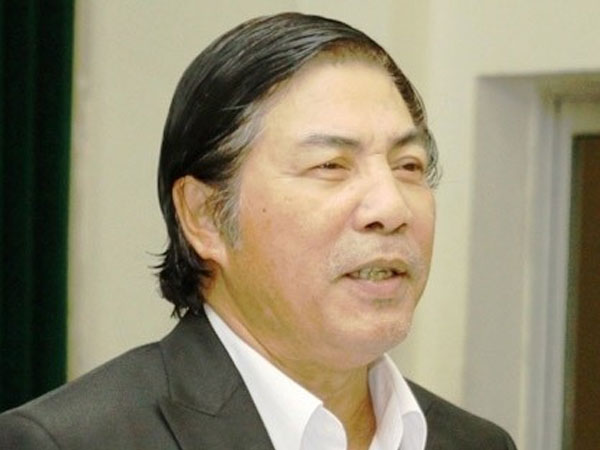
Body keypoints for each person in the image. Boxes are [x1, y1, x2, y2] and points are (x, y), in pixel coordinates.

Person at [0, 12, 517, 450]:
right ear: (205, 216)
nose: (391, 207)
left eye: (408, 166)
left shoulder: (475, 443)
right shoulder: (71, 441)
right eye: (331, 166)